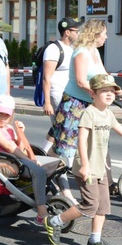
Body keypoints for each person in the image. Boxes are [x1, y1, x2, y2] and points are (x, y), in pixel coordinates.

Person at [44, 74, 122, 245]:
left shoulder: (108, 113)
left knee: (103, 206)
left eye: (111, 91)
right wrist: (84, 165)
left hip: (101, 168)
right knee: (90, 205)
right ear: (93, 93)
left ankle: (94, 240)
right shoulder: (88, 113)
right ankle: (54, 221)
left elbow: (121, 130)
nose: (109, 94)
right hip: (87, 167)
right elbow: (81, 141)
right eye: (104, 91)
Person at [51, 19, 122, 172]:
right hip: (75, 104)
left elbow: (102, 76)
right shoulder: (82, 52)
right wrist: (101, 93)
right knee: (66, 147)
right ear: (95, 34)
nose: (106, 37)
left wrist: (116, 90)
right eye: (104, 34)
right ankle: (47, 168)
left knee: (97, 141)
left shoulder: (95, 52)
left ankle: (103, 179)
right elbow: (81, 82)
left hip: (91, 103)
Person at [0, 94, 70, 226]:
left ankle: (62, 195)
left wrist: (20, 133)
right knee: (39, 172)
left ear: (11, 114)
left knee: (58, 164)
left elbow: (20, 148)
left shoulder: (9, 128)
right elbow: (9, 147)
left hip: (16, 159)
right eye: (0, 113)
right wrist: (30, 161)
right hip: (5, 162)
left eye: (6, 115)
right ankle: (41, 213)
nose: (3, 118)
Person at [40, 17, 81, 154]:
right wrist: (47, 102)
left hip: (69, 96)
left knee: (57, 128)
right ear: (67, 32)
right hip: (57, 95)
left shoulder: (72, 48)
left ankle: (43, 155)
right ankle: (60, 161)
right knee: (65, 129)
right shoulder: (53, 49)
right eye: (76, 31)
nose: (79, 33)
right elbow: (46, 77)